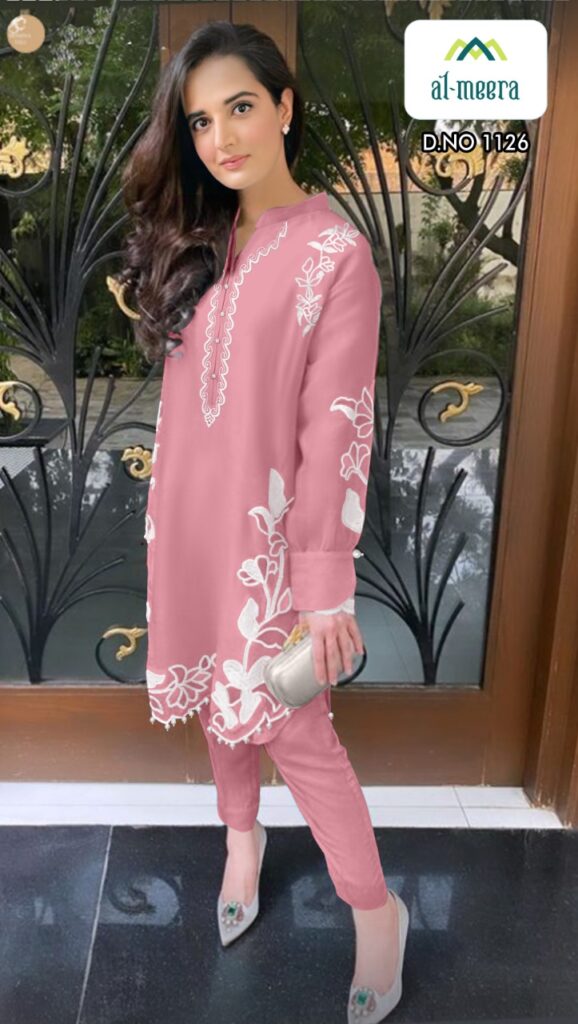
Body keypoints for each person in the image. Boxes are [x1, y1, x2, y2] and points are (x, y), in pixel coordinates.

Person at [120, 20, 408, 1023]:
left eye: (239, 107)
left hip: (274, 546)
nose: (221, 138)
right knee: (216, 699)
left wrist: (325, 587)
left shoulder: (335, 255)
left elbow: (338, 428)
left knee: (298, 731)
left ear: (284, 107)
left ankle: (375, 911)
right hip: (188, 527)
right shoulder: (199, 241)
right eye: (200, 121)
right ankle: (240, 839)